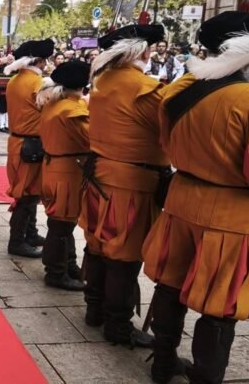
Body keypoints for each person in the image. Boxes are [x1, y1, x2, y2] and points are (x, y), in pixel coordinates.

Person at [141, 11, 249, 384]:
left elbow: (165, 144)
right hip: (234, 218)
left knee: (170, 284)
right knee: (221, 307)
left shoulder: (178, 90)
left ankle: (163, 361)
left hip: (182, 201)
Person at [81, 24, 169, 348]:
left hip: (101, 176)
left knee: (99, 246)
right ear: (143, 52)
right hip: (131, 184)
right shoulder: (144, 87)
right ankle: (117, 324)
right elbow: (172, 132)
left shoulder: (103, 80)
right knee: (124, 255)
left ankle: (94, 308)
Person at [37, 61, 91, 291]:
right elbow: (94, 140)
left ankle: (67, 266)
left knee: (60, 224)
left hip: (54, 167)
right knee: (61, 226)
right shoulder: (72, 110)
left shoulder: (53, 104)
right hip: (67, 171)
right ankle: (57, 272)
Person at [2, 38, 55, 258]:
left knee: (30, 192)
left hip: (18, 141)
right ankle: (17, 241)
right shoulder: (38, 83)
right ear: (41, 62)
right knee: (27, 195)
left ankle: (30, 234)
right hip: (31, 143)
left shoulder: (15, 80)